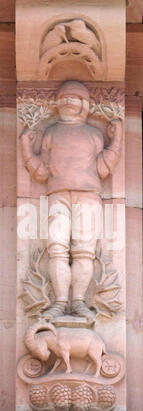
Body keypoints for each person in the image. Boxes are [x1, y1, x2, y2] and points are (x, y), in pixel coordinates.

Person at [21, 80, 122, 320]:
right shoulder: (51, 133)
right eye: (64, 97)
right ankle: (59, 303)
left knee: (84, 251)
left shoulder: (94, 134)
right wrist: (25, 146)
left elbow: (104, 167)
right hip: (57, 195)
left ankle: (77, 302)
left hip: (88, 197)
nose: (67, 101)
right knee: (56, 249)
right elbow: (41, 171)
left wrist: (117, 137)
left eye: (73, 97)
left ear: (84, 104)